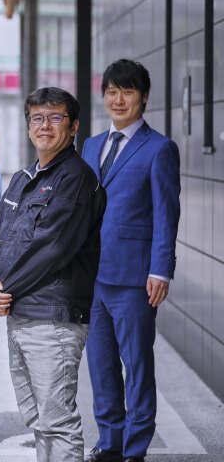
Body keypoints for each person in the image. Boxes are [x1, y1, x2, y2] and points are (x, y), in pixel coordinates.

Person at [0, 87, 106, 462]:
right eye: (37, 118)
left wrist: (4, 289)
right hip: (20, 314)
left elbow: (53, 248)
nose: (44, 126)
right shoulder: (22, 178)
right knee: (39, 420)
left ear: (74, 126)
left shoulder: (77, 179)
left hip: (54, 318)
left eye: (55, 117)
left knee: (57, 421)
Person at [82, 60, 180, 462]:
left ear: (143, 97)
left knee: (137, 365)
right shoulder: (90, 145)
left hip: (135, 277)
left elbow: (166, 213)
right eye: (111, 91)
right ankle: (110, 442)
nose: (118, 100)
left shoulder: (159, 148)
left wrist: (160, 269)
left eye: (127, 92)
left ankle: (135, 448)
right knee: (100, 365)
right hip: (91, 277)